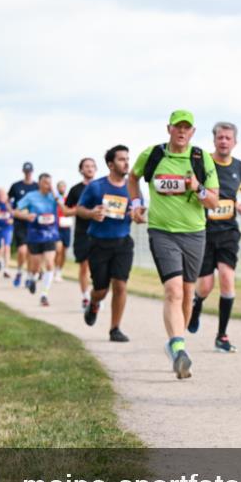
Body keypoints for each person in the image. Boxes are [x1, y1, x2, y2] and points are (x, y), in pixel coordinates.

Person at [129, 110, 219, 379]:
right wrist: (136, 204)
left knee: (188, 294)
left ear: (192, 132)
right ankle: (178, 348)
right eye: (177, 127)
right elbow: (133, 178)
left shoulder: (200, 158)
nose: (182, 131)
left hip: (194, 233)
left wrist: (196, 187)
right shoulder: (153, 155)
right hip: (161, 231)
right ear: (168, 128)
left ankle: (178, 344)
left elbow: (213, 201)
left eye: (187, 128)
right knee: (173, 291)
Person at [187, 122, 241, 352]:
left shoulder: (239, 167)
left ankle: (222, 336)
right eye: (220, 137)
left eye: (228, 138)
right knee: (206, 285)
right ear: (214, 140)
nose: (224, 141)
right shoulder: (204, 163)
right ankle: (197, 305)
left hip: (228, 232)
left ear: (235, 142)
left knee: (227, 278)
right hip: (204, 232)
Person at [78, 145, 137, 342]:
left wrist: (137, 215)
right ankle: (94, 303)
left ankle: (115, 329)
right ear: (111, 164)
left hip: (123, 242)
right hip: (99, 243)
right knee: (101, 290)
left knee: (120, 284)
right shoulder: (96, 187)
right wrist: (92, 213)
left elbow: (138, 210)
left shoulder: (132, 187)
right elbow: (79, 209)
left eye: (127, 158)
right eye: (121, 159)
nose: (126, 162)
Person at [13, 173, 61, 306]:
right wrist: (26, 216)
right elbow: (15, 211)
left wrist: (54, 191)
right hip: (35, 235)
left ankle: (44, 294)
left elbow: (63, 206)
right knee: (35, 267)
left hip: (50, 234)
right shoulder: (31, 196)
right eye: (45, 182)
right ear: (39, 183)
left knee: (50, 263)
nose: (48, 185)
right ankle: (32, 278)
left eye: (50, 182)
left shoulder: (54, 196)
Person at [64, 158, 98, 308]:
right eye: (86, 166)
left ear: (95, 169)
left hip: (100, 232)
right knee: (84, 266)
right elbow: (65, 211)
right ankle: (85, 297)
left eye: (92, 166)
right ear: (81, 170)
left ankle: (96, 296)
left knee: (97, 266)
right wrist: (80, 211)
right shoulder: (75, 190)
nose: (89, 168)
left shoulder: (101, 186)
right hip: (82, 232)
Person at [9, 162, 39, 287]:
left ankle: (28, 275)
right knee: (22, 251)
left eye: (30, 171)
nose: (28, 173)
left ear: (32, 171)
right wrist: (12, 212)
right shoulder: (16, 186)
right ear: (23, 171)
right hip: (20, 223)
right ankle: (19, 271)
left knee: (30, 253)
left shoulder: (37, 186)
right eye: (26, 171)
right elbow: (7, 201)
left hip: (33, 224)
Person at [54, 180, 72, 282]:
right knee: (58, 249)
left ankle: (59, 271)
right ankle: (54, 270)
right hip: (57, 228)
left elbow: (73, 210)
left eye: (63, 187)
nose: (62, 188)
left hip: (66, 227)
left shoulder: (68, 199)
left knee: (64, 252)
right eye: (60, 187)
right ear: (57, 188)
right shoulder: (55, 199)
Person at [0, 188, 14, 277]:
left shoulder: (10, 204)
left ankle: (6, 269)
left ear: (6, 196)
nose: (1, 196)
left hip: (7, 228)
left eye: (3, 194)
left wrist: (12, 220)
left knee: (6, 247)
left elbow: (14, 214)